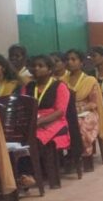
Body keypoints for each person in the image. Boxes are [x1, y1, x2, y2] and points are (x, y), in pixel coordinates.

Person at [19, 55, 75, 188]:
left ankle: (31, 174)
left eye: (41, 66)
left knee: (35, 138)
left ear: (50, 69)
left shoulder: (59, 86)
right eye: (34, 66)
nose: (36, 68)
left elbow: (60, 112)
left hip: (54, 121)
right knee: (17, 139)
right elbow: (22, 106)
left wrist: (39, 122)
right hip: (32, 120)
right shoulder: (28, 87)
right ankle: (22, 175)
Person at [64, 49, 103, 160]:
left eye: (73, 59)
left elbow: (93, 103)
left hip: (87, 112)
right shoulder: (63, 80)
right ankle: (67, 155)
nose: (69, 62)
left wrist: (79, 110)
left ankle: (82, 154)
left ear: (81, 62)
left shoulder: (90, 80)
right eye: (67, 59)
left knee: (80, 124)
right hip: (67, 111)